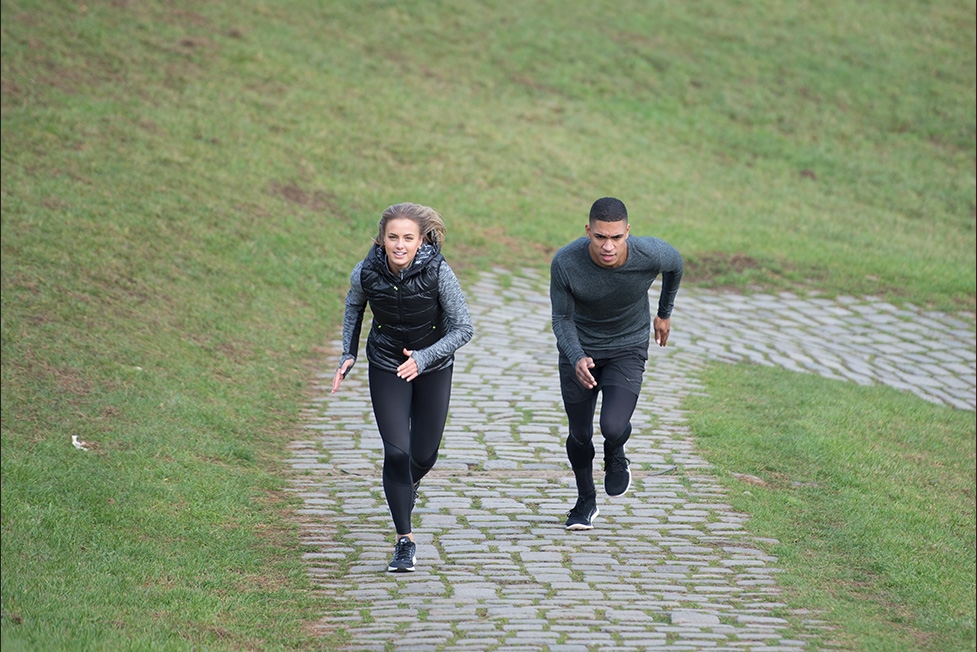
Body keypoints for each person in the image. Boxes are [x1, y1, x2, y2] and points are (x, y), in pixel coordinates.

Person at [332, 202, 474, 571]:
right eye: (393, 237)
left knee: (423, 457)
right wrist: (347, 353)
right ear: (381, 240)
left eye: (407, 238)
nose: (399, 245)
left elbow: (464, 328)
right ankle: (404, 541)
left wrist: (423, 358)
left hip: (433, 366)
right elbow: (354, 307)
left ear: (420, 240)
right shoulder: (365, 272)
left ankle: (406, 486)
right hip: (386, 363)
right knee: (397, 452)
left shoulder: (440, 272)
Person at [550, 197, 683, 531]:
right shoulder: (566, 262)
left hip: (627, 347)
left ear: (627, 232)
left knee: (612, 426)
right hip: (581, 351)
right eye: (599, 237)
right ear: (588, 231)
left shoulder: (649, 254)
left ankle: (616, 452)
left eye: (615, 237)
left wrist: (664, 313)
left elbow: (676, 265)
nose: (607, 246)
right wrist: (576, 355)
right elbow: (562, 318)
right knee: (579, 434)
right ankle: (585, 501)